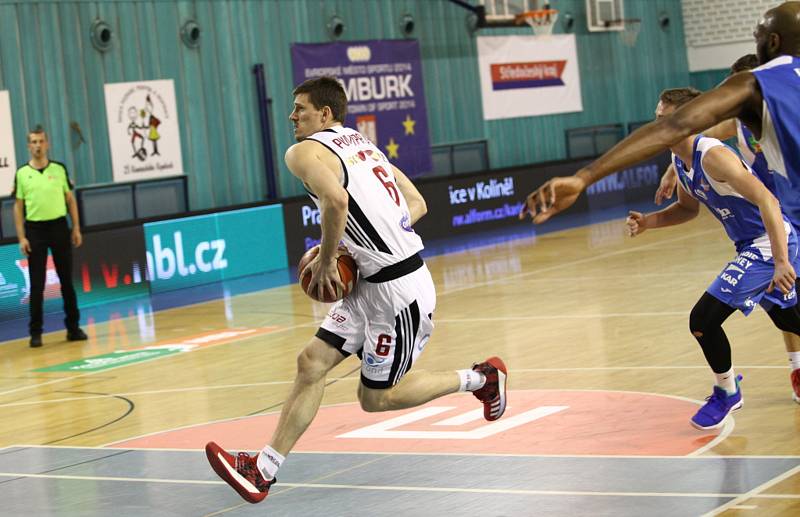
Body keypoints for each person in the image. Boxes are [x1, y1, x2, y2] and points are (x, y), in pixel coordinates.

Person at [205, 77, 509, 504]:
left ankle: (481, 378)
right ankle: (262, 471)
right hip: (371, 283)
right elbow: (416, 203)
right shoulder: (360, 144)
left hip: (397, 293)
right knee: (311, 362)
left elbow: (337, 203)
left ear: (324, 114)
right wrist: (358, 246)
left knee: (376, 398)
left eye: (301, 108)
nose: (292, 117)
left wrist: (331, 259)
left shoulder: (302, 152)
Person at [521, 2, 800, 227]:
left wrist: (584, 177)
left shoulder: (756, 83)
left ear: (773, 42)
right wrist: (673, 167)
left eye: (758, 38)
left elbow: (673, 127)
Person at [625, 87, 800, 429]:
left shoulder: (713, 156)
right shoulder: (679, 159)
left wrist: (781, 261)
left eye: (666, 118)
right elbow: (687, 209)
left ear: (688, 121)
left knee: (703, 320)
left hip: (769, 242)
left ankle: (727, 392)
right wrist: (650, 222)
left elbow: (769, 202)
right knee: (790, 320)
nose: (658, 124)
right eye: (657, 117)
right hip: (750, 245)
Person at [13, 127, 87, 347]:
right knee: (37, 285)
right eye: (33, 142)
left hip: (58, 228)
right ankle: (36, 333)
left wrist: (75, 228)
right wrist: (21, 237)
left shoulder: (59, 169)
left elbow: (70, 200)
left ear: (47, 144)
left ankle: (73, 328)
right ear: (28, 146)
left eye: (41, 141)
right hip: (35, 231)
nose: (37, 145)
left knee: (66, 281)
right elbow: (18, 207)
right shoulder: (22, 173)